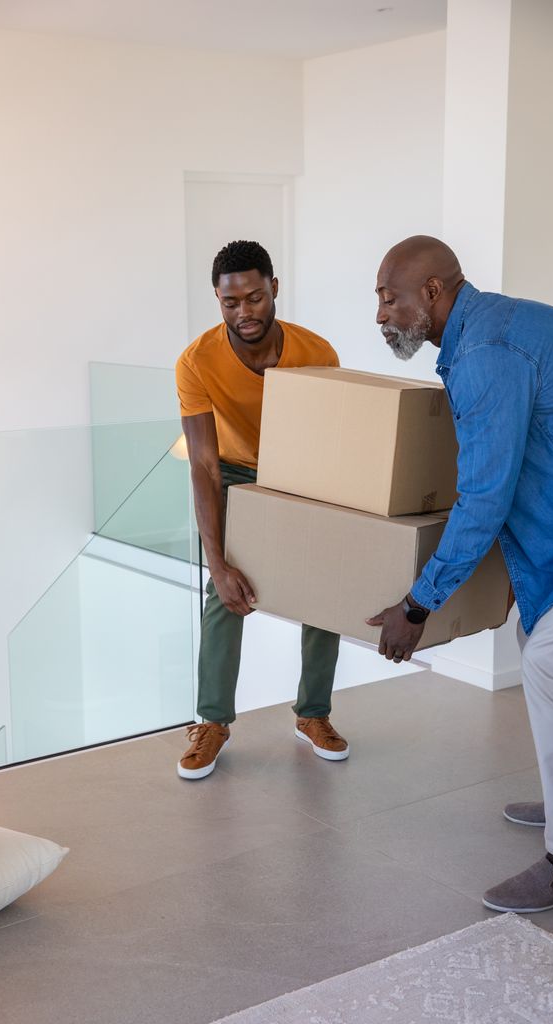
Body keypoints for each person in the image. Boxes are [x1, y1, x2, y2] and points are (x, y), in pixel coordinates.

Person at [367, 234, 553, 913]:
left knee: (549, 660)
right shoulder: (494, 328)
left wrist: (417, 606)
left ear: (433, 292)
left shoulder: (485, 355)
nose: (380, 315)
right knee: (543, 646)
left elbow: (485, 496)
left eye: (389, 297)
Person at [174, 239, 349, 779]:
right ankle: (212, 721)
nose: (244, 312)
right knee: (223, 590)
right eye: (231, 303)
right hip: (231, 470)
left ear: (274, 288)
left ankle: (313, 713)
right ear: (218, 301)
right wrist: (219, 561)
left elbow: (330, 439)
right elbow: (203, 466)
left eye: (254, 297)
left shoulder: (317, 352)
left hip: (299, 470)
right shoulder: (196, 362)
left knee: (324, 588)